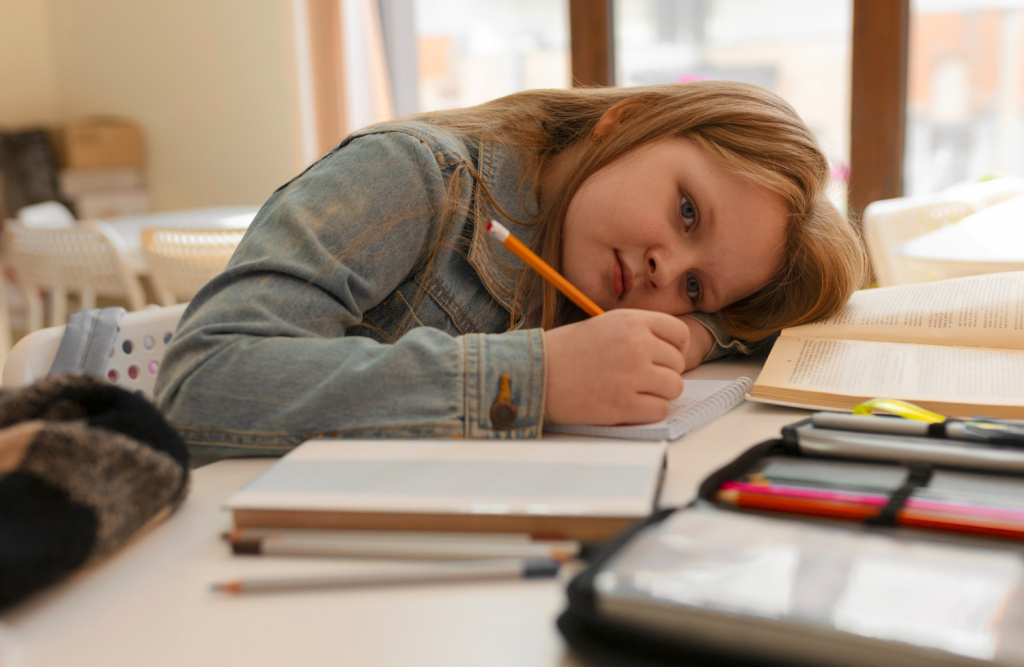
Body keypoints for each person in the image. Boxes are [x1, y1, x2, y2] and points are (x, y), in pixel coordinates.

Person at [154, 80, 869, 463]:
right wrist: (539, 378)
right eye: (686, 212)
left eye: (693, 286)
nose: (665, 268)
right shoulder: (414, 176)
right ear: (627, 121)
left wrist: (700, 334)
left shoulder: (612, 276)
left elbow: (754, 324)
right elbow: (200, 386)